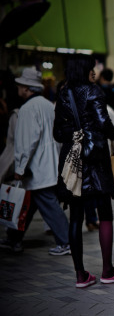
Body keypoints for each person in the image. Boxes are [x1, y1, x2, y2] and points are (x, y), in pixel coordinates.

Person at [53, 54, 114, 288]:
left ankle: (81, 275)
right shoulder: (93, 91)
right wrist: (111, 133)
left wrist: (73, 135)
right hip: (95, 160)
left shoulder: (63, 93)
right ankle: (108, 270)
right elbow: (104, 123)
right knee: (104, 211)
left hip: (73, 162)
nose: (95, 71)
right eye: (92, 67)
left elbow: (58, 132)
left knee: (76, 216)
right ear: (84, 69)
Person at [0, 68, 70, 255]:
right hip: (49, 165)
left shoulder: (27, 109)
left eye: (20, 86)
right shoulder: (48, 105)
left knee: (47, 205)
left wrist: (20, 168)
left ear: (26, 88)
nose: (18, 89)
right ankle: (13, 239)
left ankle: (66, 241)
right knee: (29, 205)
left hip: (37, 168)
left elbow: (26, 142)